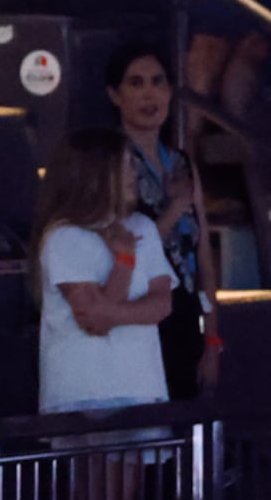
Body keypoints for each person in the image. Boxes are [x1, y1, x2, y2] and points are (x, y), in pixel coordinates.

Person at [32, 132, 177, 419]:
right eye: (126, 164)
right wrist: (124, 261)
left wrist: (111, 311)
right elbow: (95, 322)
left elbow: (163, 304)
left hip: (141, 383)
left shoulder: (143, 227)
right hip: (86, 389)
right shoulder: (64, 236)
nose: (133, 173)